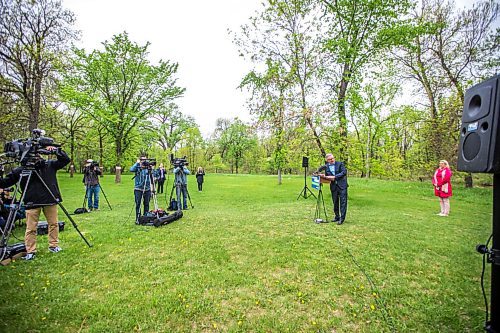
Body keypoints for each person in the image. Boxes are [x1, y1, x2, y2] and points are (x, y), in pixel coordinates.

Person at [0, 146, 70, 260]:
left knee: (53, 224)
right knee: (31, 228)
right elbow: (4, 183)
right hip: (32, 201)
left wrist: (57, 151)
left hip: (49, 199)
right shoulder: (22, 170)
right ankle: (31, 251)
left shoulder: (49, 165)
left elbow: (65, 160)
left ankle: (54, 245)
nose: (36, 157)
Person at [316, 153, 348, 225]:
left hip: (342, 185)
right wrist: (322, 176)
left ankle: (342, 219)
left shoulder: (340, 164)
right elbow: (326, 176)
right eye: (330, 159)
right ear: (327, 160)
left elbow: (344, 172)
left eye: (333, 158)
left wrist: (334, 177)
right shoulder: (326, 166)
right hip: (333, 186)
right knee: (335, 201)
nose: (332, 160)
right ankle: (337, 216)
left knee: (343, 202)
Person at [130, 157, 154, 223]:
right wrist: (137, 163)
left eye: (145, 160)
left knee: (146, 204)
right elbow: (131, 169)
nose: (143, 161)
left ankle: (146, 217)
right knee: (138, 204)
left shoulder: (148, 168)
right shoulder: (137, 167)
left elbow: (153, 177)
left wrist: (151, 168)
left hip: (147, 188)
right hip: (138, 188)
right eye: (142, 160)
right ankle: (138, 218)